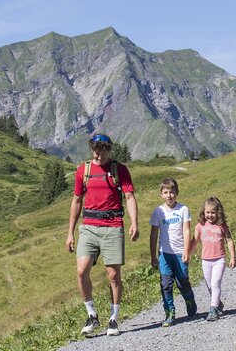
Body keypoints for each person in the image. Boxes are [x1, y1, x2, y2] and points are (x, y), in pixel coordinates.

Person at [66, 132, 139, 336]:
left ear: (109, 150)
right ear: (92, 149)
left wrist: (134, 222)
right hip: (89, 226)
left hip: (113, 225)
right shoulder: (83, 170)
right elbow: (76, 201)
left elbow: (129, 197)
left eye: (103, 152)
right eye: (96, 151)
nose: (99, 156)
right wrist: (70, 232)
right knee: (81, 271)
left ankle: (114, 318)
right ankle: (91, 315)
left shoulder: (119, 170)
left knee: (113, 275)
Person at [149, 178, 197, 327]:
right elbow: (153, 234)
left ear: (177, 193)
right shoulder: (158, 211)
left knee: (182, 282)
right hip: (164, 253)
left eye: (172, 192)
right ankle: (170, 312)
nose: (169, 195)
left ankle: (189, 300)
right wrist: (153, 256)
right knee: (166, 284)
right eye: (165, 192)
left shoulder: (183, 209)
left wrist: (186, 251)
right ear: (161, 194)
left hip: (179, 252)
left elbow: (186, 230)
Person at [188, 196, 236, 321]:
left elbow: (229, 241)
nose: (210, 215)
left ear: (218, 213)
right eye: (207, 212)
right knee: (209, 285)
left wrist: (233, 257)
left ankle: (213, 309)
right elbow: (194, 241)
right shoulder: (200, 226)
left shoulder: (222, 226)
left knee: (215, 283)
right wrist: (187, 254)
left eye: (213, 212)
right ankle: (218, 303)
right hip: (206, 260)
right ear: (203, 212)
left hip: (219, 259)